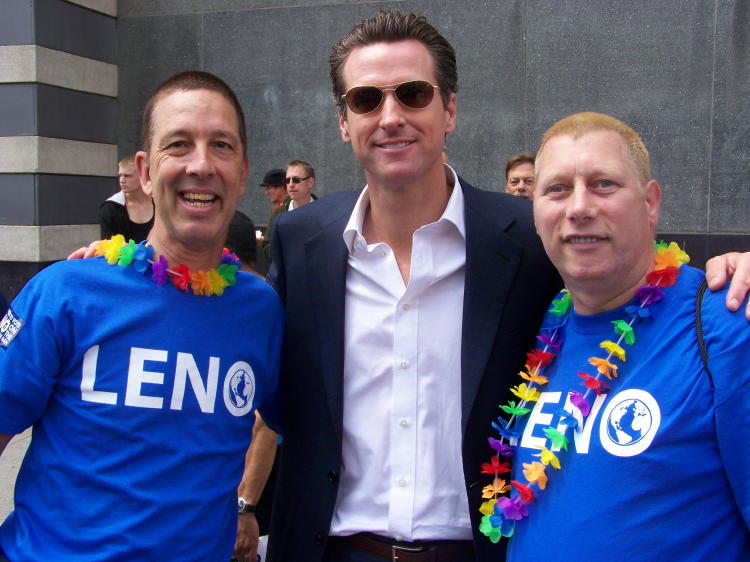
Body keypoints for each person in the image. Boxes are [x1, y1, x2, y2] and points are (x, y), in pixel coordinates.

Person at [260, 11, 750, 562]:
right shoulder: (301, 240)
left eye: (414, 94)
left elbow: (625, 281)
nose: (390, 116)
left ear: (449, 109)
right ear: (344, 121)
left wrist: (731, 272)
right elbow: (280, 399)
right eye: (367, 99)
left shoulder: (525, 242)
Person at [0, 71, 283, 562]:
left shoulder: (261, 309)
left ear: (242, 171)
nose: (201, 165)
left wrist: (246, 506)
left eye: (221, 145)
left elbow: (288, 425)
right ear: (145, 171)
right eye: (178, 144)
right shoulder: (67, 292)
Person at [485, 112, 749, 561]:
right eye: (557, 189)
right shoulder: (542, 326)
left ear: (650, 202)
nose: (579, 207)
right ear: (534, 215)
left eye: (604, 184)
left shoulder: (728, 322)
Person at [262, 159, 318, 262]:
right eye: (287, 181)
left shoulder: (324, 211)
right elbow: (266, 248)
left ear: (310, 182)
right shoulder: (279, 213)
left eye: (296, 180)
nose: (291, 184)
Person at [99, 154, 155, 241]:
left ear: (143, 176)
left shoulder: (160, 204)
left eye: (127, 176)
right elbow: (107, 248)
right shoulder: (110, 208)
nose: (121, 180)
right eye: (120, 175)